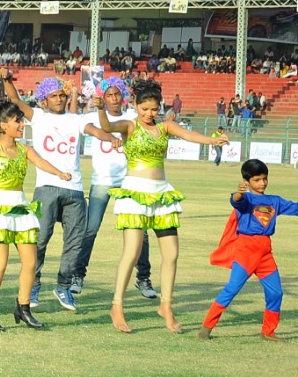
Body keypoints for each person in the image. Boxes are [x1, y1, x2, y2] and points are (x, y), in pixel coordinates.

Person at [99, 79, 228, 334]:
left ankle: (166, 306)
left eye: (153, 109)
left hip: (162, 194)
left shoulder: (165, 126)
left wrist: (212, 141)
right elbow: (107, 126)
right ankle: (117, 305)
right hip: (135, 193)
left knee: (171, 254)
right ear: (135, 105)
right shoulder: (129, 125)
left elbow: (189, 135)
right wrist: (100, 108)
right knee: (132, 251)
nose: (149, 114)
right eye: (144, 108)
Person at [0, 73, 113, 312]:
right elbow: (16, 101)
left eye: (62, 95)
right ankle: (35, 283)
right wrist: (7, 80)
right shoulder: (38, 117)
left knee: (75, 240)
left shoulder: (76, 119)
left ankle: (63, 286)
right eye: (54, 96)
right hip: (46, 188)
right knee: (39, 240)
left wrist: (109, 137)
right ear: (43, 100)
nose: (59, 99)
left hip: (75, 190)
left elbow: (95, 131)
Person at [0, 100, 70, 331]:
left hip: (21, 209)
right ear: (3, 125)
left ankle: (23, 308)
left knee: (31, 262)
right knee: (0, 263)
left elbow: (41, 162)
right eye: (17, 121)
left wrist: (59, 173)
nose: (22, 125)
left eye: (21, 120)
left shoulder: (25, 150)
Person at [200, 159, 293, 341]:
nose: (262, 183)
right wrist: (238, 194)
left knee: (276, 292)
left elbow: (295, 207)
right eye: (257, 180)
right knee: (232, 289)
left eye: (265, 179)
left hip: (265, 253)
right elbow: (236, 201)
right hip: (246, 252)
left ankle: (268, 332)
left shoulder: (275, 201)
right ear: (247, 181)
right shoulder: (246, 199)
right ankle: (206, 327)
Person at [79, 78, 155, 299]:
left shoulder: (133, 117)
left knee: (141, 231)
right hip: (101, 180)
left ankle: (144, 278)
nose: (113, 99)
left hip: (130, 181)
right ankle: (78, 275)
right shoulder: (92, 117)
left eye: (116, 94)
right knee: (91, 229)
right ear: (103, 98)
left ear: (122, 96)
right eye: (109, 95)